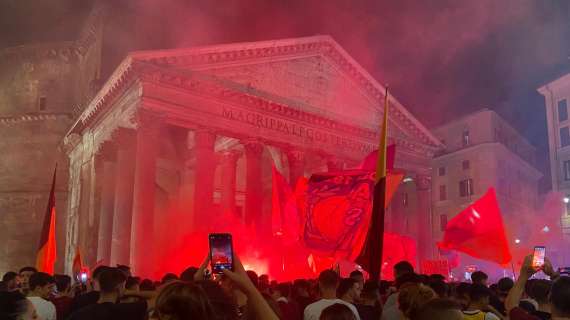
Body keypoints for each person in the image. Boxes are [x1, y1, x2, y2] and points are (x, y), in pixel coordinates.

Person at [67, 268, 150, 320]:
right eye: (124, 286)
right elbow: (158, 297)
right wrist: (130, 292)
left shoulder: (79, 314)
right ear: (119, 287)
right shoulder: (125, 311)